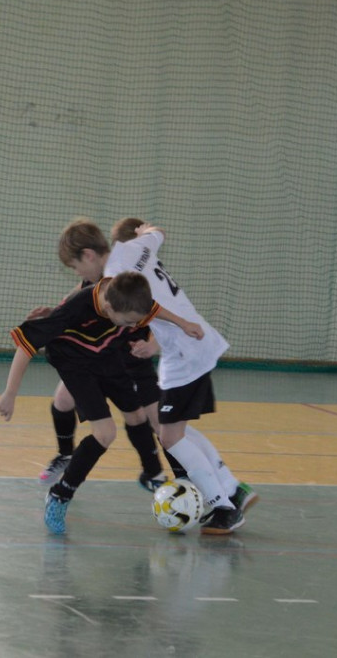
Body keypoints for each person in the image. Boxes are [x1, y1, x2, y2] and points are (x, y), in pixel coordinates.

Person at [0, 277, 204, 535]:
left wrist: (184, 323)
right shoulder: (76, 308)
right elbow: (25, 347)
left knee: (137, 415)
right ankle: (60, 495)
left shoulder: (125, 295)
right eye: (128, 322)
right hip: (74, 365)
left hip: (106, 355)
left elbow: (152, 308)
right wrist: (10, 393)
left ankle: (151, 474)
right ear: (108, 308)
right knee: (105, 433)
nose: (133, 326)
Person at [103, 220, 252, 535]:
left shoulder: (119, 263)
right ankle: (231, 488)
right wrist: (146, 233)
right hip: (187, 348)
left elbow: (151, 306)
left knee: (169, 435)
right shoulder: (144, 247)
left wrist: (180, 325)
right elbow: (157, 233)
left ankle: (224, 508)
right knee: (175, 429)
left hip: (186, 353)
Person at [33, 219, 171, 492]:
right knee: (62, 400)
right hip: (97, 352)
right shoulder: (96, 276)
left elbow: (160, 313)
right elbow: (78, 294)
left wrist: (153, 343)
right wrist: (56, 314)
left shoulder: (130, 277)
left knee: (147, 419)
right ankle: (65, 454)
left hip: (131, 354)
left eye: (75, 266)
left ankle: (155, 472)